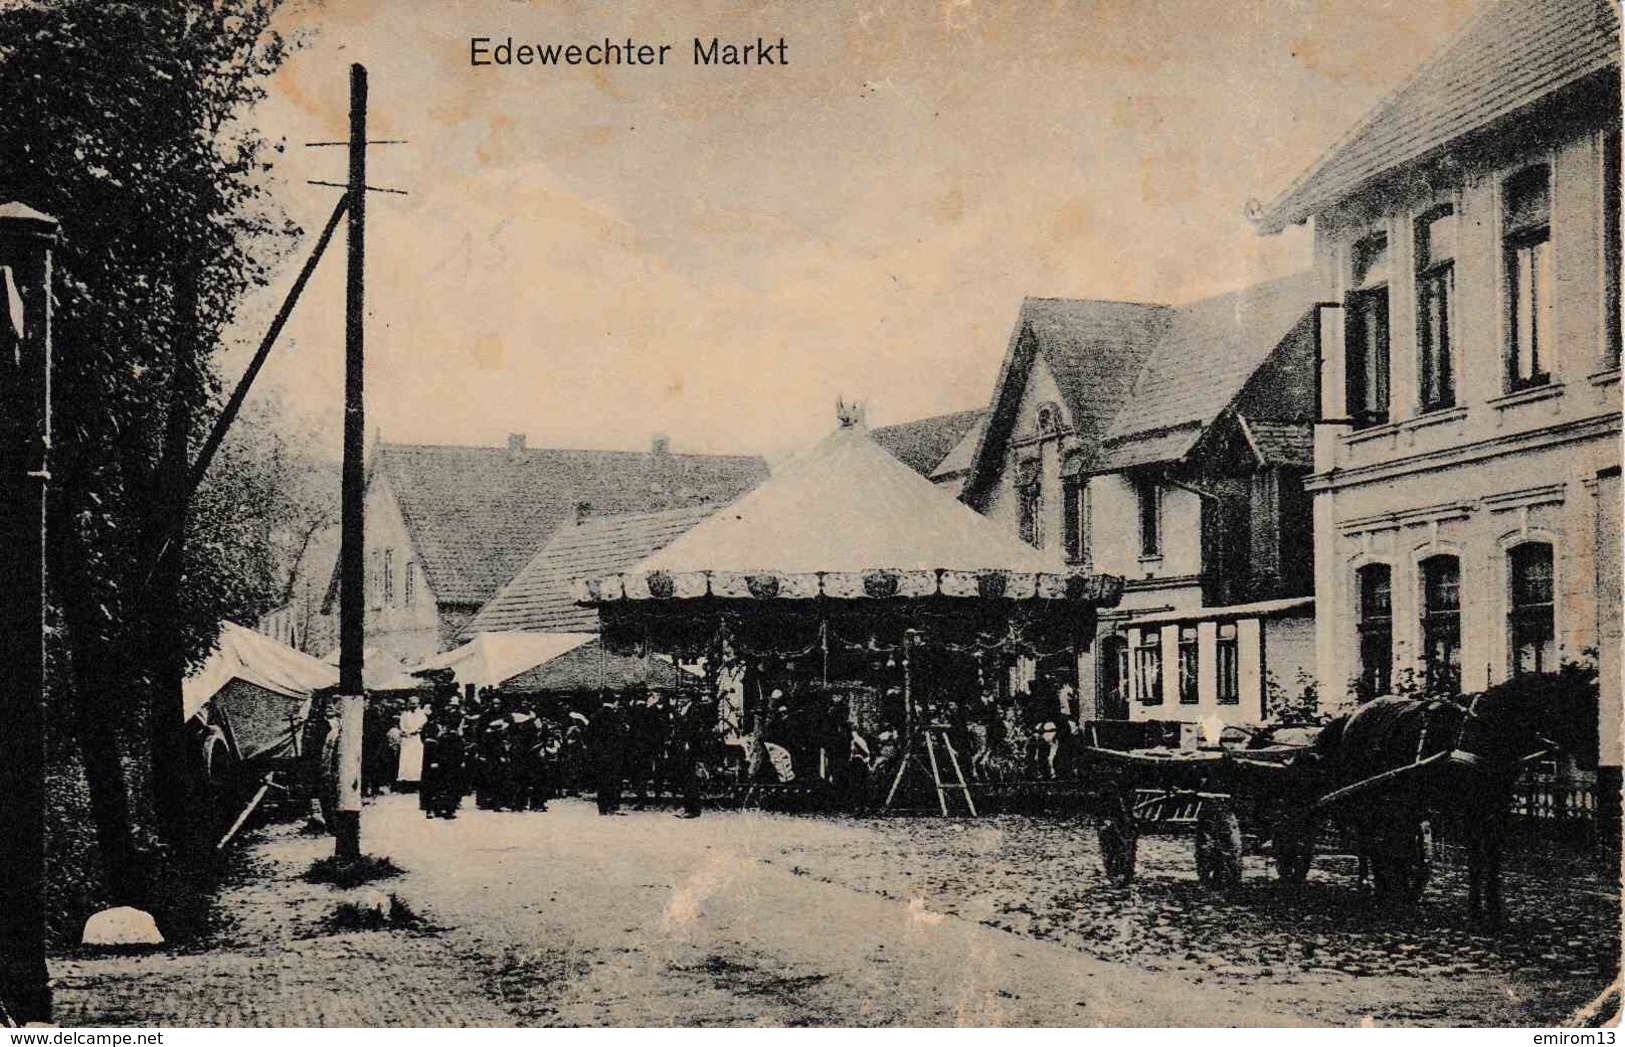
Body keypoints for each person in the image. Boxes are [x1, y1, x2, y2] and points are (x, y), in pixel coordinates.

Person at [585, 695, 627, 815]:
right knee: (613, 780)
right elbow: (621, 735)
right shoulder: (616, 717)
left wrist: (594, 749)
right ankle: (611, 805)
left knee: (602, 781)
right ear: (613, 702)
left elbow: (587, 736)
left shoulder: (595, 716)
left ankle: (602, 808)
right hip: (614, 753)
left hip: (599, 754)